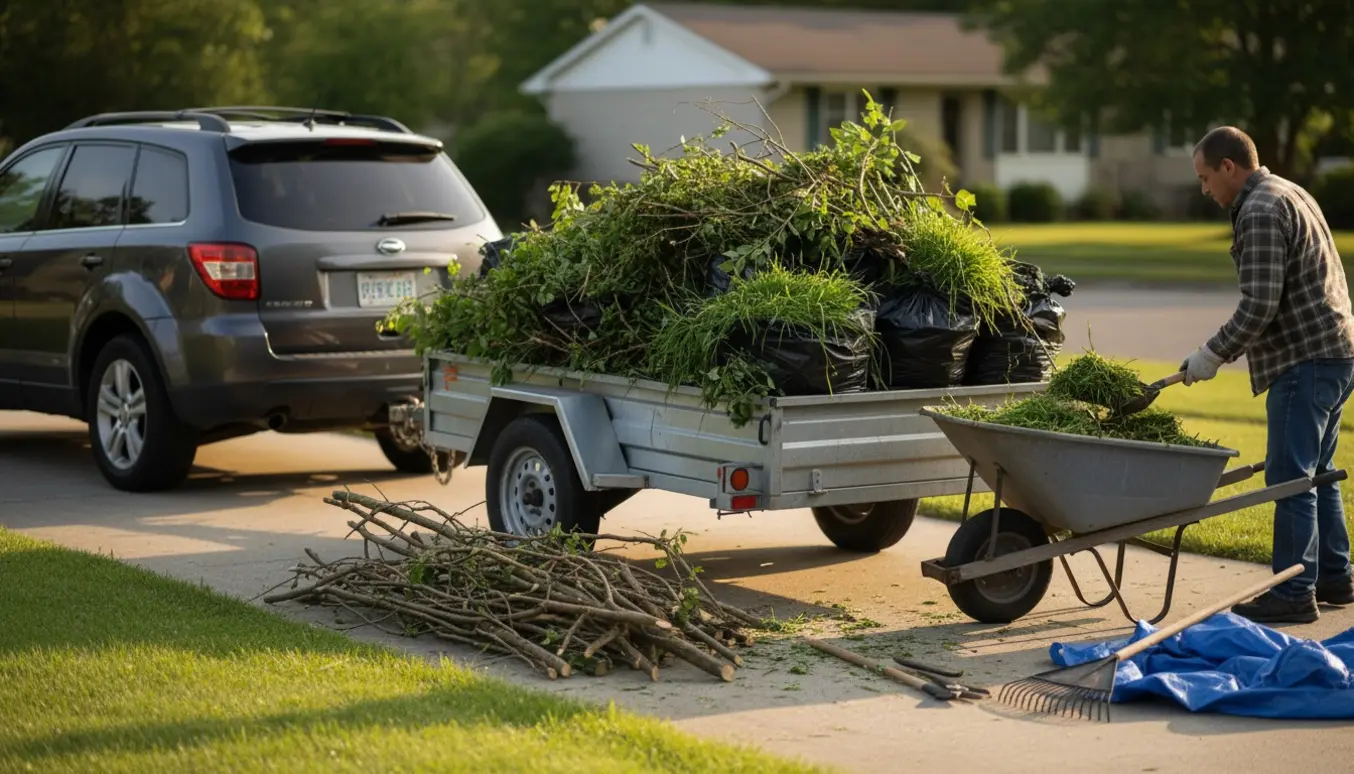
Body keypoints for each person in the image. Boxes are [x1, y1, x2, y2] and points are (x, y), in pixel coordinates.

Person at [1180, 126, 1354, 623]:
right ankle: (1335, 578)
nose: (1205, 189)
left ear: (1229, 167)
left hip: (1305, 359)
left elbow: (1259, 306)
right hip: (1337, 351)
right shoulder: (1291, 191)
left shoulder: (1258, 210)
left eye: (1206, 178)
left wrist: (1210, 355)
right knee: (1319, 472)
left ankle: (1295, 593)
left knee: (1289, 478)